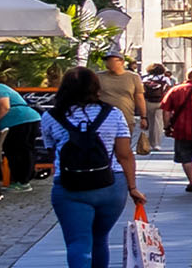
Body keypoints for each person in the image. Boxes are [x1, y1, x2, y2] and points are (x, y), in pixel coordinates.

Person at [39, 66, 142, 268]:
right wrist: (132, 188)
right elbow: (124, 154)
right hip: (111, 185)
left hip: (70, 186)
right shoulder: (113, 114)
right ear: (96, 87)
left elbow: (52, 151)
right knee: (100, 238)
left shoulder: (50, 117)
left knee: (78, 243)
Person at [0, 72, 43, 189]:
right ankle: (18, 179)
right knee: (11, 151)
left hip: (22, 120)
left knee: (21, 151)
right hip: (12, 123)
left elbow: (5, 107)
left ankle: (23, 181)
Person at [91, 53, 145, 156]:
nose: (109, 63)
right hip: (102, 119)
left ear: (121, 62)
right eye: (107, 61)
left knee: (123, 149)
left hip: (126, 117)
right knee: (103, 147)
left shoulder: (133, 77)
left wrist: (143, 116)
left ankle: (120, 169)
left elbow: (139, 97)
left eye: (112, 60)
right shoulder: (98, 76)